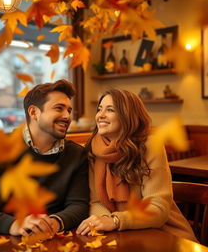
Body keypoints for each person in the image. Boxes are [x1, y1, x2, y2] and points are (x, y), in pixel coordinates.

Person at [0, 79, 89, 237]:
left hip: (48, 240)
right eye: (59, 108)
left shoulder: (76, 154)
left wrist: (55, 222)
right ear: (34, 113)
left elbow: (79, 205)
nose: (67, 116)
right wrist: (13, 224)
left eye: (69, 110)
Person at [76, 89, 197, 242]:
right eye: (99, 109)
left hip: (165, 235)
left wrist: (115, 221)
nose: (100, 115)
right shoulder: (93, 150)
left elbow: (157, 208)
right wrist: (104, 220)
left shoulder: (150, 146)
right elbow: (96, 202)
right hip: (122, 236)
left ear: (128, 115)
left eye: (110, 110)